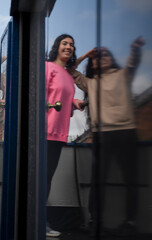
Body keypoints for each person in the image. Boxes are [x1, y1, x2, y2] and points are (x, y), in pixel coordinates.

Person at [69, 37, 145, 236]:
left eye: (106, 55)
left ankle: (130, 222)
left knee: (131, 179)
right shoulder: (90, 83)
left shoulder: (123, 74)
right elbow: (69, 70)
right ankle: (95, 220)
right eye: (98, 57)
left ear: (112, 59)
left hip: (126, 132)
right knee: (98, 180)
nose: (102, 59)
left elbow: (134, 61)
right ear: (93, 63)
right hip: (101, 134)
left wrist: (135, 48)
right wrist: (86, 55)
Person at [45, 34, 86, 237]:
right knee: (41, 178)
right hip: (44, 132)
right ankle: (38, 220)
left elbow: (60, 99)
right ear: (56, 47)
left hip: (59, 134)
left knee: (47, 178)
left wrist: (73, 103)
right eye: (64, 43)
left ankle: (40, 219)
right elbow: (40, 98)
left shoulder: (68, 75)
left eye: (71, 44)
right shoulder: (47, 68)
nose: (68, 46)